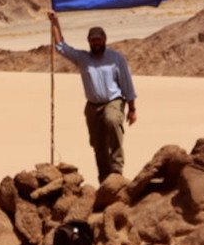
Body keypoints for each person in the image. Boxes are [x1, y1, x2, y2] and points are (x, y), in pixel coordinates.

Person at [47, 10, 137, 183]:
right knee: (98, 144)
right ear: (88, 41)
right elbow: (61, 47)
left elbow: (127, 84)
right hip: (92, 106)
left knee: (112, 120)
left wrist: (132, 109)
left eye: (99, 39)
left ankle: (117, 171)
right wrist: (55, 22)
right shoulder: (83, 58)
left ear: (105, 39)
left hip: (113, 101)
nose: (96, 43)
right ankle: (104, 179)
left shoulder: (116, 58)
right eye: (93, 40)